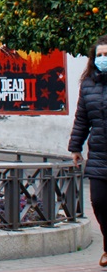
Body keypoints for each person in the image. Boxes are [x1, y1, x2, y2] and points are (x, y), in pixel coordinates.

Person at [69, 34, 107, 268]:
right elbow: (82, 118)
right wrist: (75, 146)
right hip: (99, 157)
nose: (103, 59)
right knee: (99, 203)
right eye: (99, 55)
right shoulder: (88, 85)